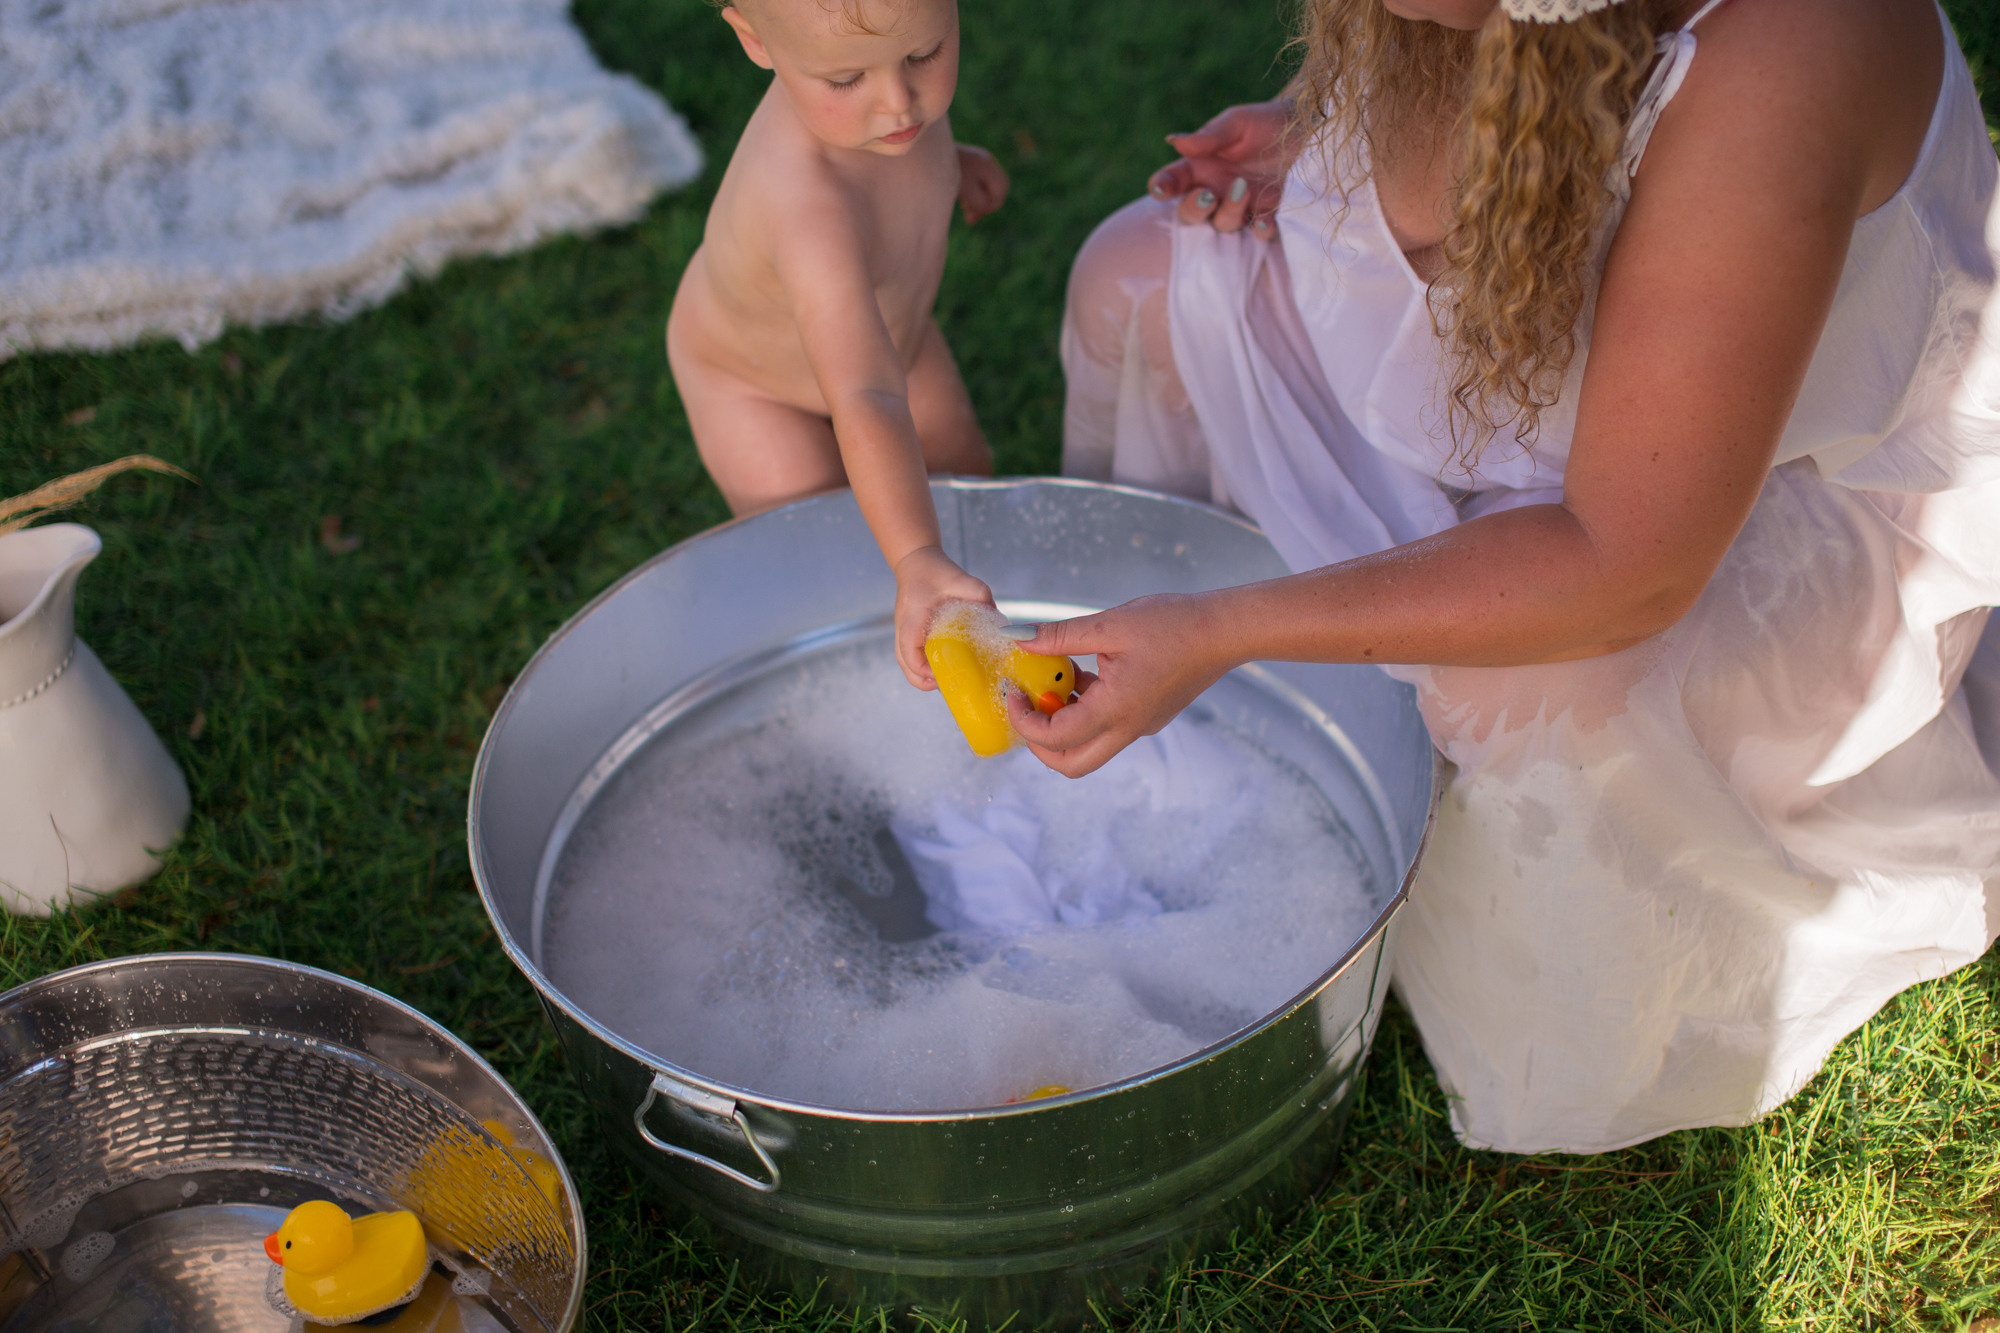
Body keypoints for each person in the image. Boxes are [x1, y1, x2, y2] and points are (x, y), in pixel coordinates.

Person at [1011, 0, 2000, 1153]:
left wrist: (1224, 624)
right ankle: (1223, 731)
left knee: (1527, 686)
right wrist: (1322, 133)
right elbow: (1540, 111)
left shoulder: (1791, 52)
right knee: (1145, 280)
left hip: (1764, 504)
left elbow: (1622, 563)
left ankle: (1410, 831)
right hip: (1556, 395)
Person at [669, 0, 1008, 689]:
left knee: (963, 476)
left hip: (892, 339)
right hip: (752, 383)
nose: (899, 105)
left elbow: (898, 117)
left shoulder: (885, 111)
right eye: (846, 80)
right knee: (819, 547)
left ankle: (959, 601)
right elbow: (866, 392)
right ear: (753, 39)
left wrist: (955, 162)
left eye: (924, 54)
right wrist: (914, 554)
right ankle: (856, 679)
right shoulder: (807, 204)